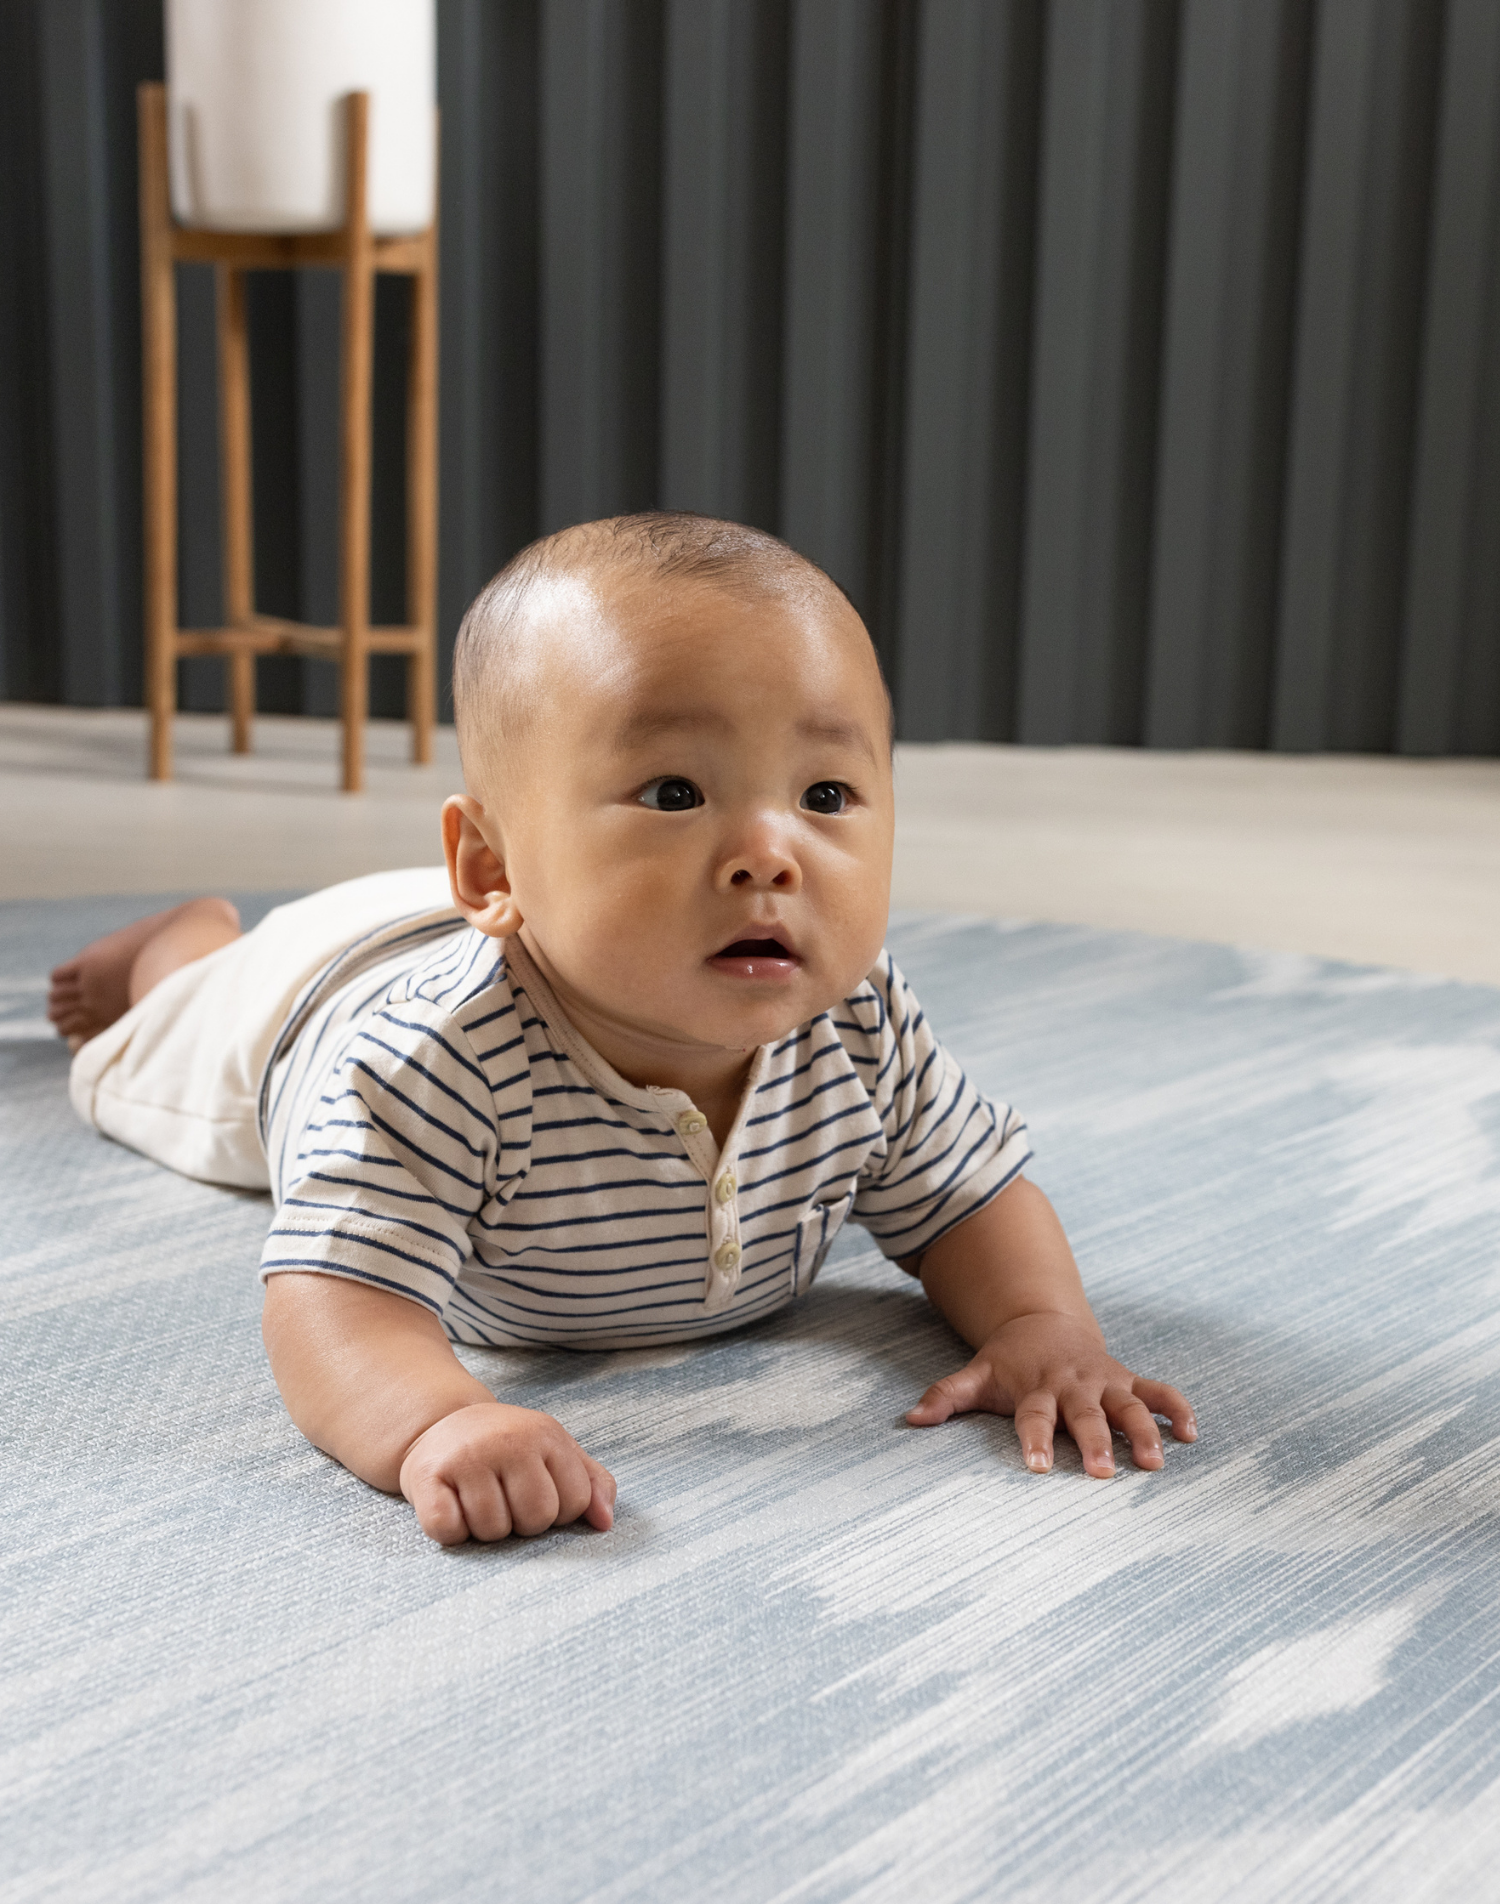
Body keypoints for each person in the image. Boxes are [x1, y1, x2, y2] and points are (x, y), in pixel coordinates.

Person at [52, 512, 1197, 1547]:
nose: (769, 850)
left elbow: (969, 1197)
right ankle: (175, 949)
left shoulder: (858, 1022)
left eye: (827, 794)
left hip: (542, 918)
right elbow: (337, 1299)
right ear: (491, 864)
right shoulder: (430, 1068)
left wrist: (1044, 1321)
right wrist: (437, 1422)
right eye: (674, 793)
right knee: (145, 1051)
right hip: (304, 997)